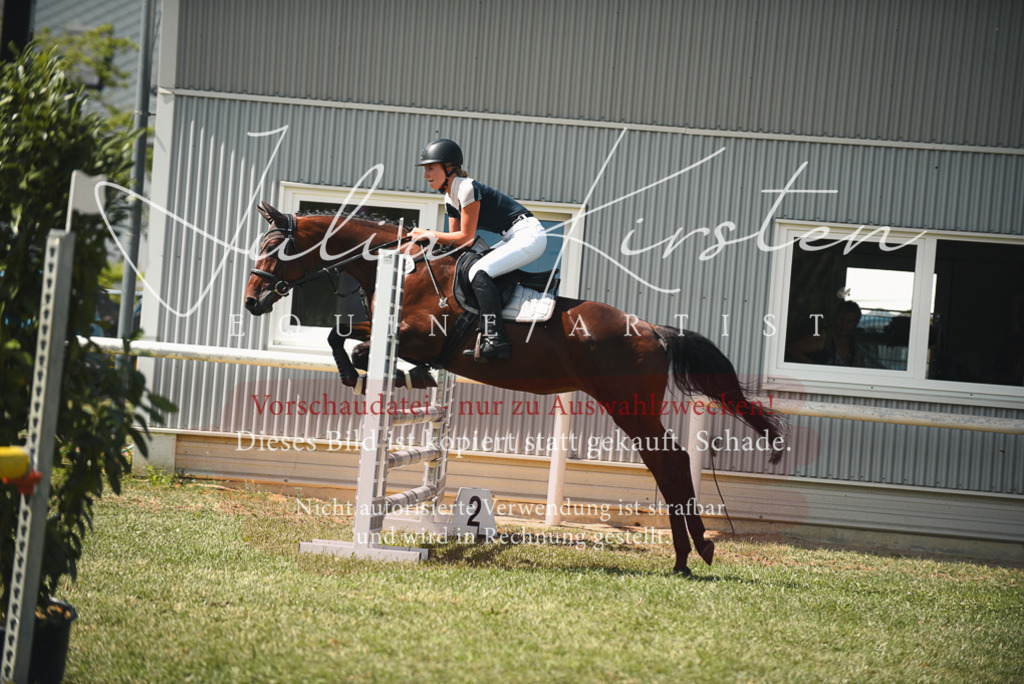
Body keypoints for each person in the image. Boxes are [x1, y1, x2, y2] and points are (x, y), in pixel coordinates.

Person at [409, 139, 546, 361]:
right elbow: (457, 243)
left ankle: (496, 340)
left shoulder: (466, 187)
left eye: (430, 168)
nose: (426, 175)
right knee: (469, 268)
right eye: (425, 169)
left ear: (449, 167)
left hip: (529, 235)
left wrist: (428, 234)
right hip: (513, 236)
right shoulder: (449, 197)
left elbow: (466, 237)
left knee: (478, 272)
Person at [787, 299, 872, 367]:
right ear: (835, 318)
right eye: (841, 319)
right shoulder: (823, 337)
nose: (843, 324)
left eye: (849, 321)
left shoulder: (852, 343)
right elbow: (793, 350)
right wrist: (815, 367)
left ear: (855, 324)